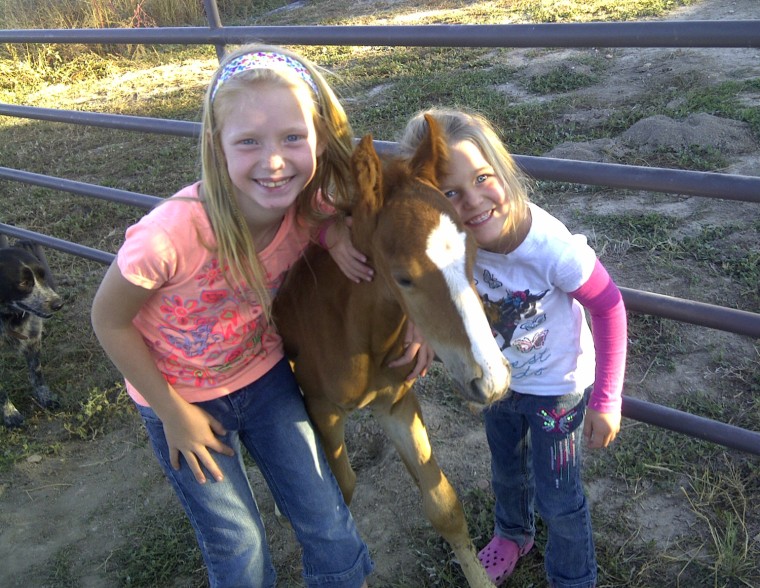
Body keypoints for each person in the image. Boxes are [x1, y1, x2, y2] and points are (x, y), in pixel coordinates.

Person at [91, 44, 376, 588]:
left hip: (266, 380)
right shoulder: (168, 236)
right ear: (216, 146)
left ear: (317, 136)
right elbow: (109, 321)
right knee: (238, 545)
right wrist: (173, 413)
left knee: (327, 516)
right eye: (248, 141)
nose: (274, 162)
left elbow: (395, 257)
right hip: (178, 397)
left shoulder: (305, 208)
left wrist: (336, 234)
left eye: (293, 138)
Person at [399, 108, 627, 588]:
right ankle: (512, 533)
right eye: (450, 193)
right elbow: (428, 290)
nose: (473, 202)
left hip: (557, 393)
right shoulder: (450, 244)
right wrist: (417, 330)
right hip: (498, 383)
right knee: (506, 471)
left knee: (559, 496)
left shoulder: (550, 249)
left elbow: (609, 308)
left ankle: (573, 577)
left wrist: (607, 399)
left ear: (502, 172)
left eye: (483, 178)